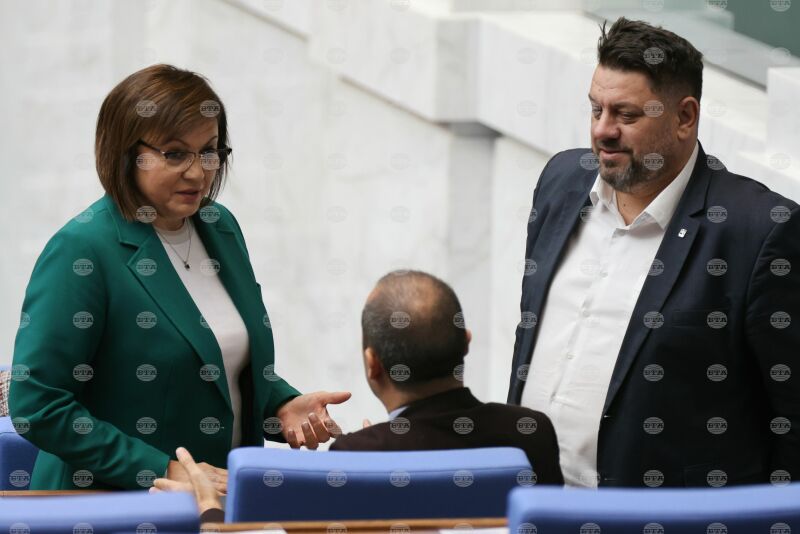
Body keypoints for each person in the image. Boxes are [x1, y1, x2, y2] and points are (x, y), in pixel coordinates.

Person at [9, 64, 349, 490]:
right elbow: (37, 404)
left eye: (208, 151)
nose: (198, 172)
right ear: (125, 153)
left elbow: (215, 359)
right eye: (174, 154)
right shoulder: (83, 249)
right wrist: (163, 469)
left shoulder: (219, 226)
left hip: (218, 499)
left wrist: (281, 405)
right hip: (106, 504)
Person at [509, 17, 800, 488]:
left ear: (685, 117)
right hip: (532, 504)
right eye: (596, 109)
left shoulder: (759, 232)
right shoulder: (561, 182)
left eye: (626, 116)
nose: (603, 131)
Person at [330, 270, 563, 486]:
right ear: (466, 342)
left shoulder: (354, 457)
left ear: (372, 364)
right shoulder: (533, 432)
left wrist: (374, 448)